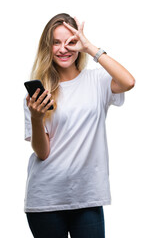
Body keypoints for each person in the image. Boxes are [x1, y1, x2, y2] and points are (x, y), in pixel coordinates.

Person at [24, 13, 135, 238]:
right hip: (46, 199)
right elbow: (42, 153)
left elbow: (128, 82)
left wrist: (90, 47)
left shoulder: (98, 81)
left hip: (88, 196)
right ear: (48, 47)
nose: (63, 49)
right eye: (56, 42)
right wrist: (36, 118)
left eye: (70, 41)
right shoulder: (39, 94)